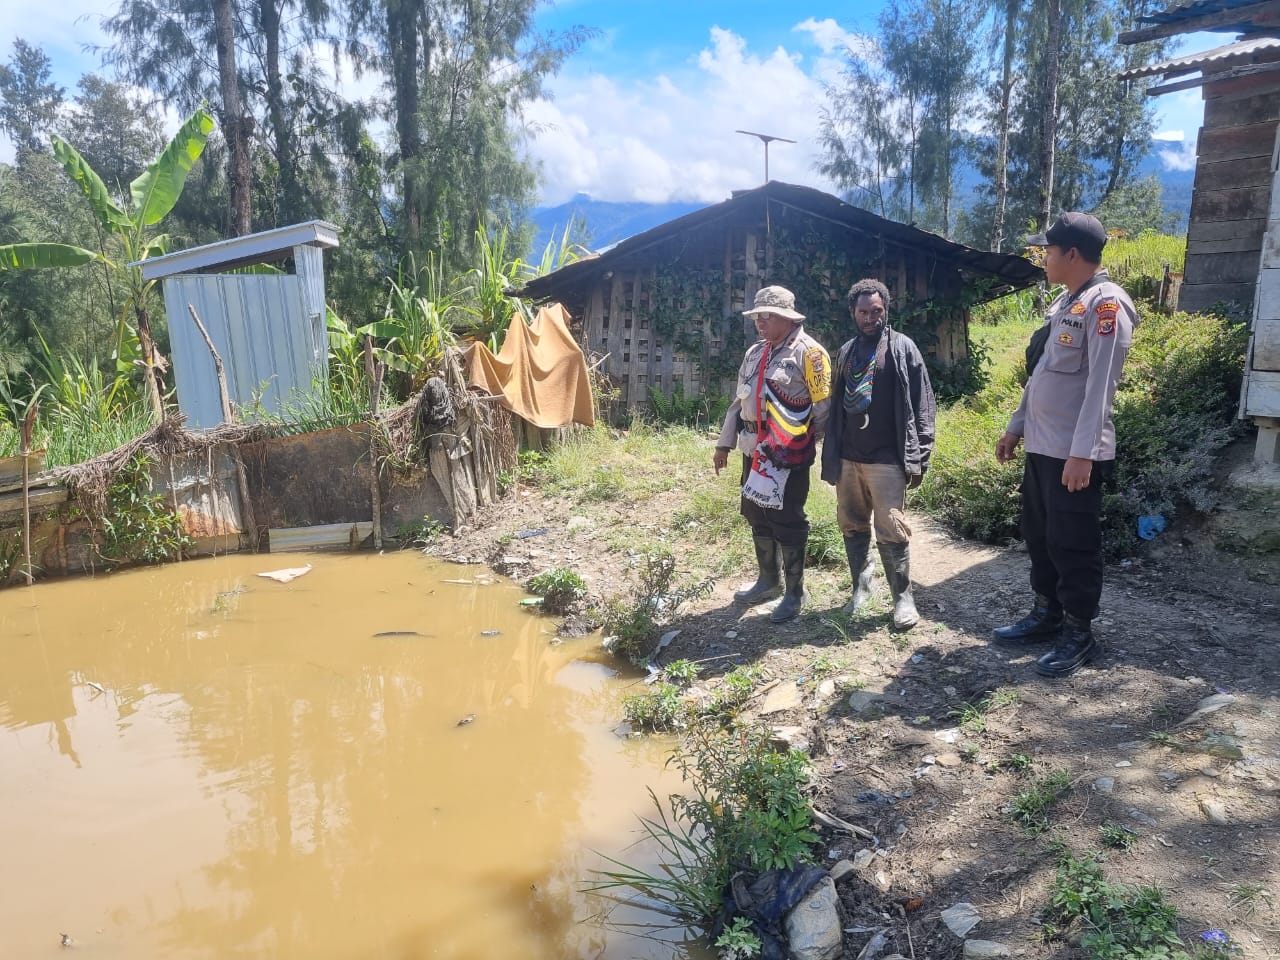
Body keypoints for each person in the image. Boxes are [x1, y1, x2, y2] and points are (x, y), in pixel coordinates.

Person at [993, 212, 1138, 678]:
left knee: (1072, 543)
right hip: (1042, 447)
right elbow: (1040, 377)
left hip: (1074, 454)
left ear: (1072, 254)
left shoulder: (1107, 304)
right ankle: (1047, 613)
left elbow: (1101, 386)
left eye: (1049, 250)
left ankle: (1079, 632)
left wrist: (1084, 453)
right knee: (1040, 535)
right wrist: (1016, 426)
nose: (1043, 256)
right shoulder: (1065, 303)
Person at [820, 279, 936, 630]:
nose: (870, 318)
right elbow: (837, 404)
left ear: (886, 310)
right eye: (863, 312)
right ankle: (860, 586)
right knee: (852, 523)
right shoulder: (846, 352)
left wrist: (921, 454)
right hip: (849, 457)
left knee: (891, 527)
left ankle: (902, 598)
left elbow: (923, 403)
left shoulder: (903, 349)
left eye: (876, 311)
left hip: (888, 457)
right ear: (853, 314)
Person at [714, 286, 831, 623]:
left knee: (787, 518)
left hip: (787, 453)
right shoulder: (755, 353)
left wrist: (808, 448)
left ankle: (795, 593)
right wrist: (725, 443)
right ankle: (768, 581)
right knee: (755, 511)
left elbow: (822, 409)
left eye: (767, 317)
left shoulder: (809, 354)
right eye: (757, 317)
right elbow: (740, 401)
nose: (759, 323)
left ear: (787, 318)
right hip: (755, 449)